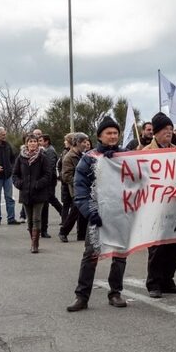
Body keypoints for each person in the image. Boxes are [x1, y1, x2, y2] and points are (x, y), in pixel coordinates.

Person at [67, 116, 127, 312]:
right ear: (100, 136)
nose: (112, 136)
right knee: (91, 255)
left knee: (119, 255)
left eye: (115, 133)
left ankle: (115, 292)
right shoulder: (89, 158)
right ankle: (82, 296)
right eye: (108, 133)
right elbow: (80, 188)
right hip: (97, 215)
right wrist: (90, 211)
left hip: (120, 214)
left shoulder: (126, 156)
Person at [144, 113, 176, 298]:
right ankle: (154, 282)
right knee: (157, 246)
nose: (169, 132)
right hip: (155, 206)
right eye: (165, 130)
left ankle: (168, 279)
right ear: (156, 132)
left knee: (175, 246)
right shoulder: (145, 153)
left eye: (170, 129)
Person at [12, 134, 51, 253]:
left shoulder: (43, 157)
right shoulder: (20, 157)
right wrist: (19, 183)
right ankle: (32, 240)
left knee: (37, 218)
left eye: (35, 141)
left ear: (37, 143)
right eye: (30, 141)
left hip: (39, 193)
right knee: (29, 219)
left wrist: (38, 184)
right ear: (26, 143)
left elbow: (48, 174)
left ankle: (35, 244)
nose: (33, 143)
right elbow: (15, 174)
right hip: (25, 193)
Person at [58, 133, 89, 243]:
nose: (86, 144)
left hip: (85, 188)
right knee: (75, 212)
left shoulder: (83, 155)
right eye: (84, 142)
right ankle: (63, 232)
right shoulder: (69, 157)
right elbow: (66, 176)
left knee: (83, 211)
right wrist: (79, 183)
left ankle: (81, 234)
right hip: (76, 190)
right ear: (77, 143)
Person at [0, 127, 20, 225]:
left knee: (9, 197)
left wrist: (11, 168)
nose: (5, 136)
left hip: (7, 175)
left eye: (5, 134)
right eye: (3, 135)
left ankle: (11, 218)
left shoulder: (8, 145)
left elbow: (14, 157)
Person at [38, 134, 63, 238]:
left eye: (41, 140)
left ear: (46, 141)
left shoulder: (50, 151)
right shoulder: (45, 150)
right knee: (50, 199)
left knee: (49, 200)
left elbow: (51, 166)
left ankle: (64, 214)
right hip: (47, 181)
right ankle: (64, 215)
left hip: (49, 181)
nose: (39, 142)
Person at [58, 133, 74, 226]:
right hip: (65, 182)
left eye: (66, 140)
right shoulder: (64, 152)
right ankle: (64, 222)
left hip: (70, 182)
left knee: (73, 205)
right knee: (66, 204)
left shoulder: (73, 153)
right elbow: (59, 165)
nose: (64, 142)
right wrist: (61, 175)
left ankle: (69, 223)